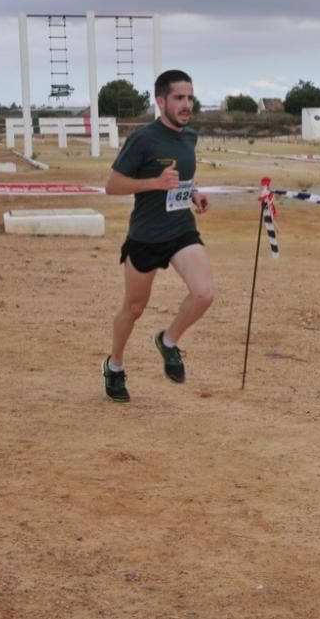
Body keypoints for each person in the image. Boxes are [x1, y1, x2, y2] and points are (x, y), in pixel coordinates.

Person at [101, 69, 213, 402]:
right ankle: (115, 366)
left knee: (204, 294)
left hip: (181, 230)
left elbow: (182, 179)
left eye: (190, 97)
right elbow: (112, 186)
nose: (186, 104)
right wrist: (153, 183)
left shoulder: (189, 137)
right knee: (133, 309)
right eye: (179, 98)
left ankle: (168, 341)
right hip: (146, 236)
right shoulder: (143, 139)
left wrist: (193, 193)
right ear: (161, 100)